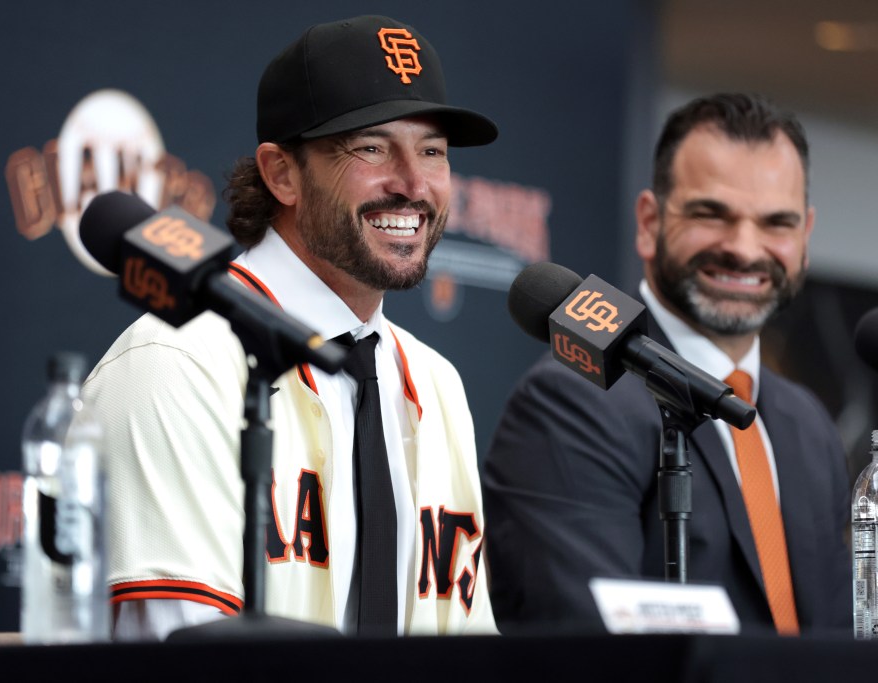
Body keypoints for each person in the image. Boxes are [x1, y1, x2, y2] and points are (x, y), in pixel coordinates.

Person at [82, 15, 499, 639]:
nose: (414, 183)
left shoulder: (437, 386)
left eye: (432, 150)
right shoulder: (176, 363)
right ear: (282, 173)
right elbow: (186, 664)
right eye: (373, 148)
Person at [482, 93, 851, 637]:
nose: (744, 248)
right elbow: (580, 648)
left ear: (805, 236)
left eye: (777, 223)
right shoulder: (572, 402)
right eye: (711, 214)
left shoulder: (808, 423)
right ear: (649, 222)